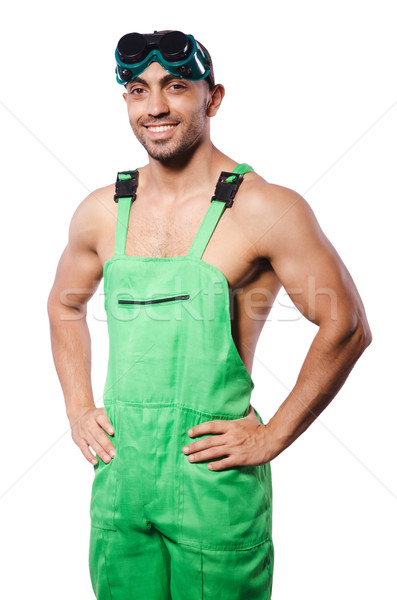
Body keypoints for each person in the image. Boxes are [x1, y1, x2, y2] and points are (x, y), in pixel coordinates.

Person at [47, 30, 372, 600]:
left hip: (213, 483)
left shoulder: (265, 207)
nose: (155, 107)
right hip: (121, 482)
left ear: (213, 98)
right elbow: (64, 303)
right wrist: (78, 407)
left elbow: (346, 325)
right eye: (137, 90)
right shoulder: (102, 210)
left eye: (176, 87)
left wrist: (272, 435)